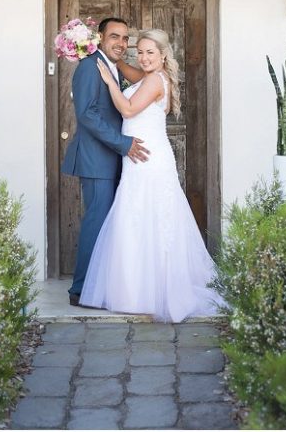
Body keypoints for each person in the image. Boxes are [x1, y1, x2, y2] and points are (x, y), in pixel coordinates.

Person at [79, 29, 224, 322]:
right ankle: (138, 289)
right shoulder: (148, 76)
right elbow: (127, 70)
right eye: (140, 52)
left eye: (150, 53)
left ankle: (149, 291)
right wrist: (104, 53)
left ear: (163, 56)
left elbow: (128, 109)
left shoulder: (156, 80)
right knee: (139, 216)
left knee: (146, 216)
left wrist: (109, 81)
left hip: (148, 159)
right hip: (140, 159)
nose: (144, 58)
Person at [62, 17, 149, 307]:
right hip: (96, 160)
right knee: (97, 223)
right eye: (114, 36)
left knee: (106, 224)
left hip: (110, 159)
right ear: (100, 37)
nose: (121, 43)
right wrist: (124, 143)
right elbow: (87, 115)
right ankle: (81, 290)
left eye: (125, 38)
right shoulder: (90, 66)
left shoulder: (112, 67)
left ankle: (99, 285)